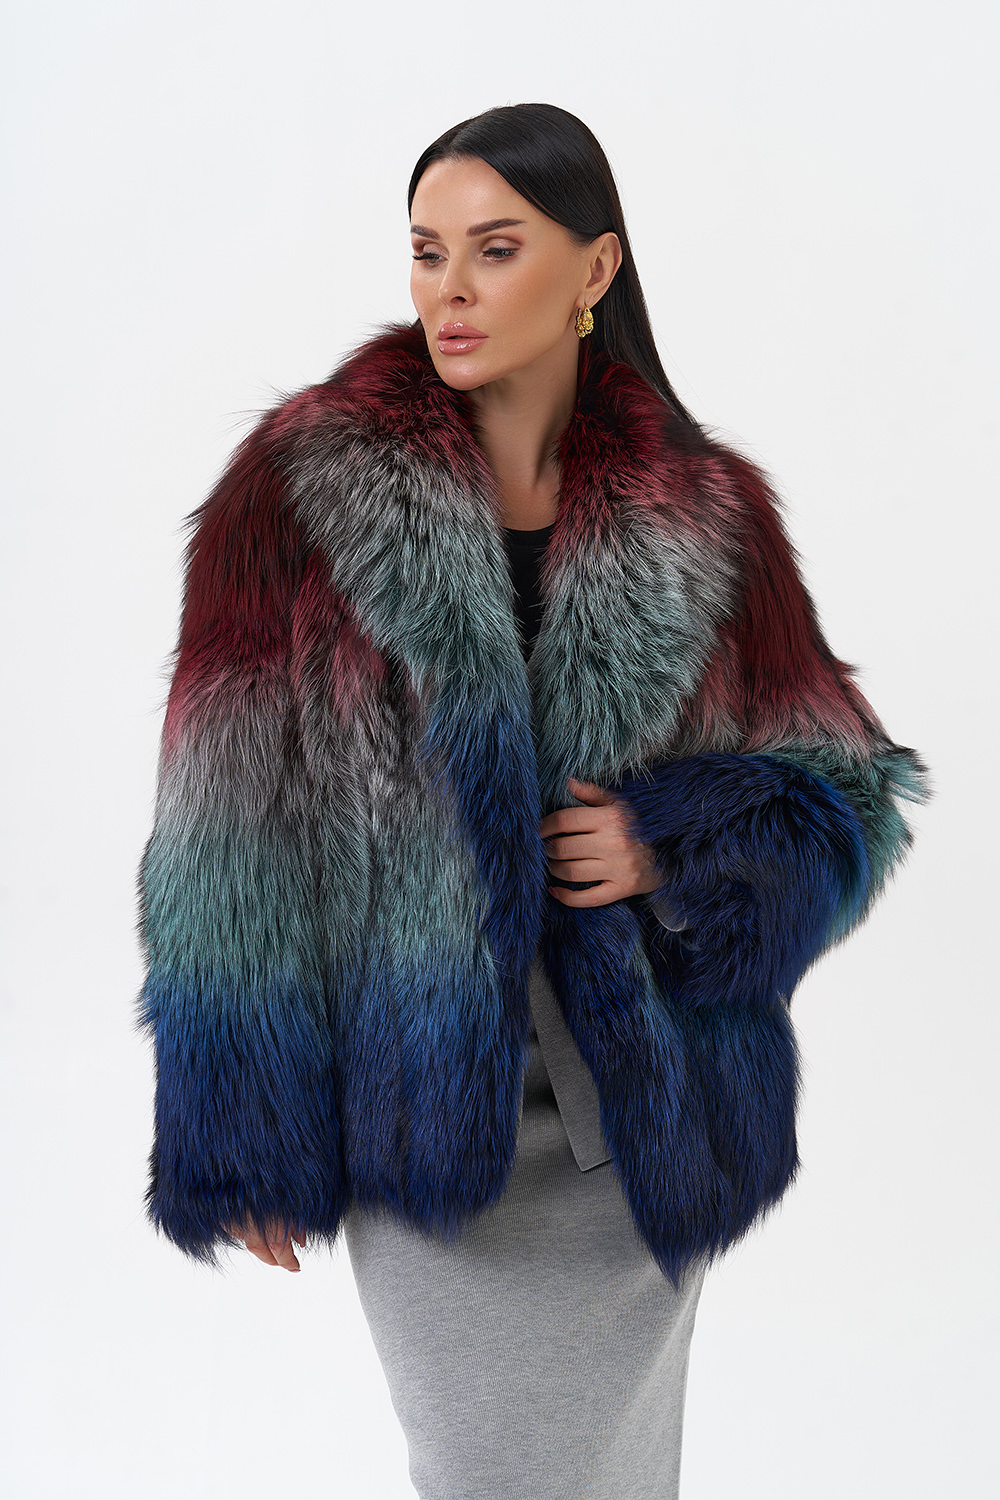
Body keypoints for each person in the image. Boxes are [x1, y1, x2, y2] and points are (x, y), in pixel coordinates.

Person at [136, 103, 927, 1499]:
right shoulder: (302, 496)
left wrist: (672, 841)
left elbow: (849, 792)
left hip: (644, 1123)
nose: (449, 287)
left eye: (495, 249)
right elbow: (225, 833)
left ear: (595, 269)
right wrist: (240, 1125)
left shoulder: (707, 515)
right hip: (425, 1114)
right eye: (426, 251)